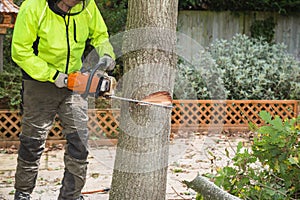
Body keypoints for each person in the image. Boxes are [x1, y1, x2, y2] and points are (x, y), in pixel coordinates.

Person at [11, 0, 115, 199]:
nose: (78, 3)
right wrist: (55, 75)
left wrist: (106, 53)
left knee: (79, 142)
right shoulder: (33, 7)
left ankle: (71, 195)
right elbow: (20, 51)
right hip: (39, 82)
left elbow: (100, 34)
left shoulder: (87, 5)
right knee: (32, 142)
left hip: (75, 82)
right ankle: (22, 193)